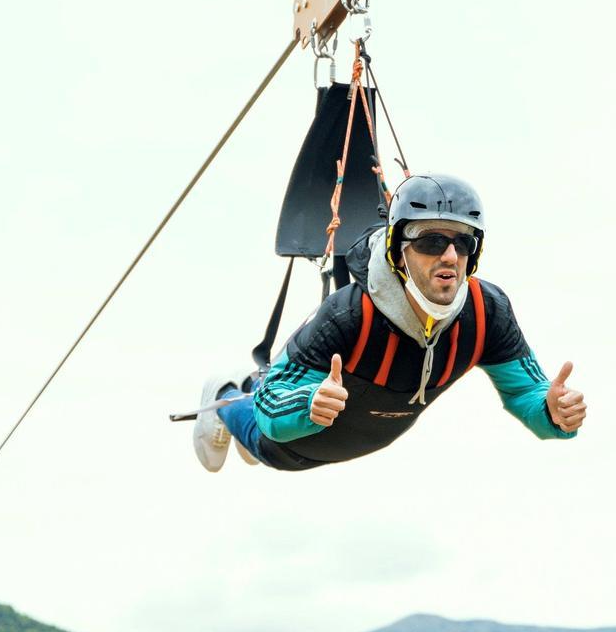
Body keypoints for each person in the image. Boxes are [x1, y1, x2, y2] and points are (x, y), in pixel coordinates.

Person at [192, 174, 586, 472]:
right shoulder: (349, 315)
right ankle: (225, 394)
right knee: (258, 428)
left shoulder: (487, 313)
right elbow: (271, 406)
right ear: (399, 250)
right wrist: (308, 404)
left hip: (362, 441)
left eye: (463, 242)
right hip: (292, 445)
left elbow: (527, 394)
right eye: (431, 241)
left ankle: (244, 390)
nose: (450, 255)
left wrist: (553, 413)